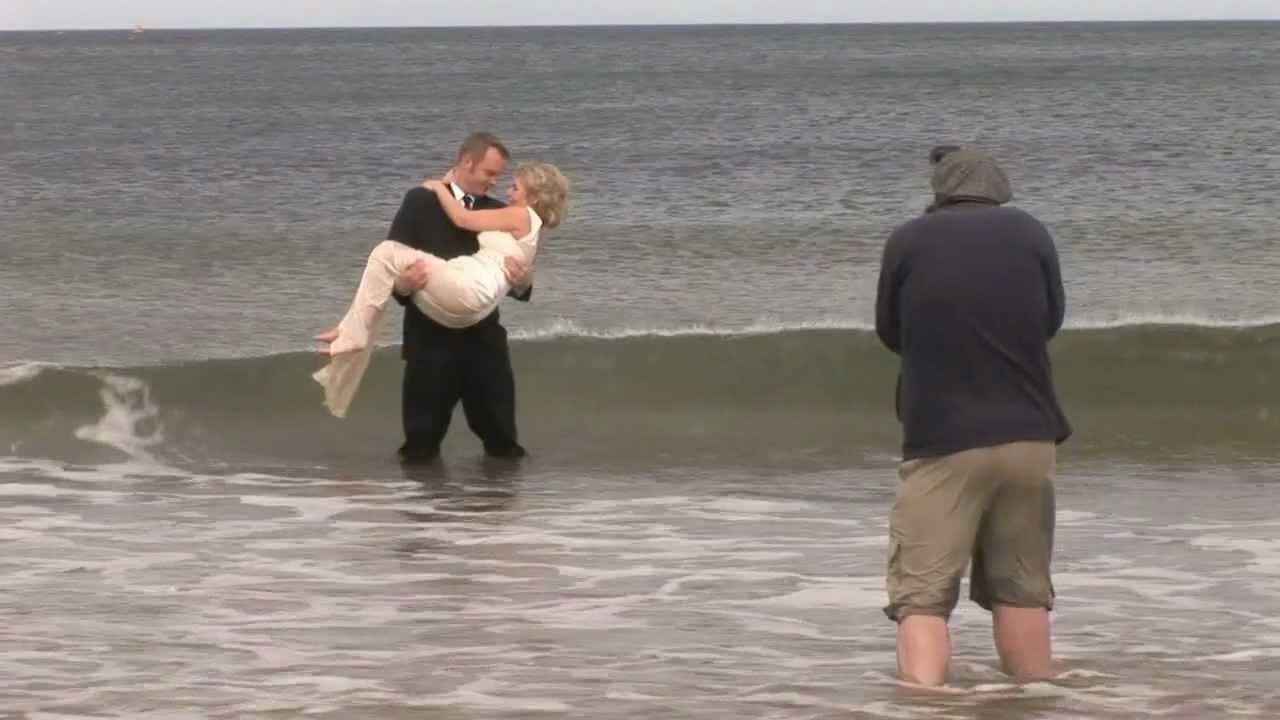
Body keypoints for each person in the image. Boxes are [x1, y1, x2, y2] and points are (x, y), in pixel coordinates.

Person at [873, 147, 1072, 687]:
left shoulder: (908, 240)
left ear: (939, 192)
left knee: (922, 599)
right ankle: (1035, 698)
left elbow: (890, 331)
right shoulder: (1032, 233)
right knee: (1022, 589)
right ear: (998, 189)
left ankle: (925, 703)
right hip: (1031, 437)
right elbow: (1051, 318)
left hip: (945, 440)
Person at [313, 133, 567, 464]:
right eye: (489, 174)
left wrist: (525, 281)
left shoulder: (501, 210)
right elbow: (393, 269)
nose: (495, 183)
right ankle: (425, 512)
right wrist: (403, 286)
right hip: (430, 344)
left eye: (500, 177)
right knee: (419, 447)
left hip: (483, 344)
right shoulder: (420, 201)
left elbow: (516, 277)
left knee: (503, 444)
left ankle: (500, 511)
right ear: (466, 162)